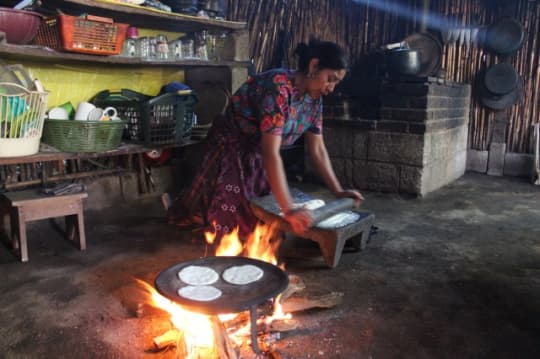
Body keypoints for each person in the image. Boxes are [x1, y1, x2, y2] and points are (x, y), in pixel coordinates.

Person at [167, 37, 364, 240]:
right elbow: (271, 153)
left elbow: (318, 150)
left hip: (258, 152)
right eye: (330, 78)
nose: (331, 88)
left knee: (262, 222)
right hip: (233, 145)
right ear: (314, 65)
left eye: (336, 82)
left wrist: (338, 192)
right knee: (231, 225)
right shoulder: (277, 88)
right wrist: (289, 209)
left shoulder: (314, 101)